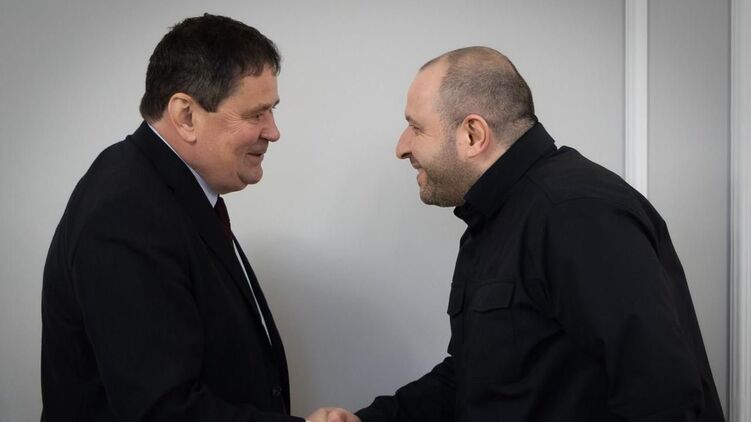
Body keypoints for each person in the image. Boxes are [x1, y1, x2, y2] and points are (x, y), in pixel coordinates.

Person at [324, 47, 726, 421]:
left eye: (415, 127)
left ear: (472, 135)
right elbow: (473, 380)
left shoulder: (575, 213)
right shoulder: (492, 219)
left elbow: (662, 395)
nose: (401, 147)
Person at [41, 14, 325, 422]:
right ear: (186, 116)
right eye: (256, 114)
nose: (273, 131)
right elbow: (162, 411)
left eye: (272, 111)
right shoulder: (126, 214)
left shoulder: (158, 188)